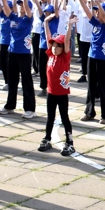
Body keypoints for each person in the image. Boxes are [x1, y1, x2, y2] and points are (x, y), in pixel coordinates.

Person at [0, 0, 37, 119]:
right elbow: (6, 7)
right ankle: (10, 105)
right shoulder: (14, 17)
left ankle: (30, 109)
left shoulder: (28, 19)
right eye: (18, 5)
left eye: (22, 6)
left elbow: (26, 5)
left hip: (24, 54)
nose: (20, 7)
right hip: (12, 52)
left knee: (26, 81)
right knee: (12, 80)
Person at [39, 14, 77, 156]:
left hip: (62, 94)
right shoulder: (51, 55)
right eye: (53, 45)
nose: (54, 47)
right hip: (51, 92)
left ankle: (70, 142)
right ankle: (47, 138)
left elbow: (67, 41)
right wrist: (45, 23)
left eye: (57, 46)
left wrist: (70, 26)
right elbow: (48, 38)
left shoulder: (64, 58)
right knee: (50, 117)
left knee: (64, 117)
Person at [77, 0, 105, 124]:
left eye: (98, 11)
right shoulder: (95, 23)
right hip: (92, 56)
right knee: (91, 86)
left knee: (103, 87)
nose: (96, 13)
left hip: (103, 59)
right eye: (96, 11)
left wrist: (99, 3)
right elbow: (87, 12)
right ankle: (89, 112)